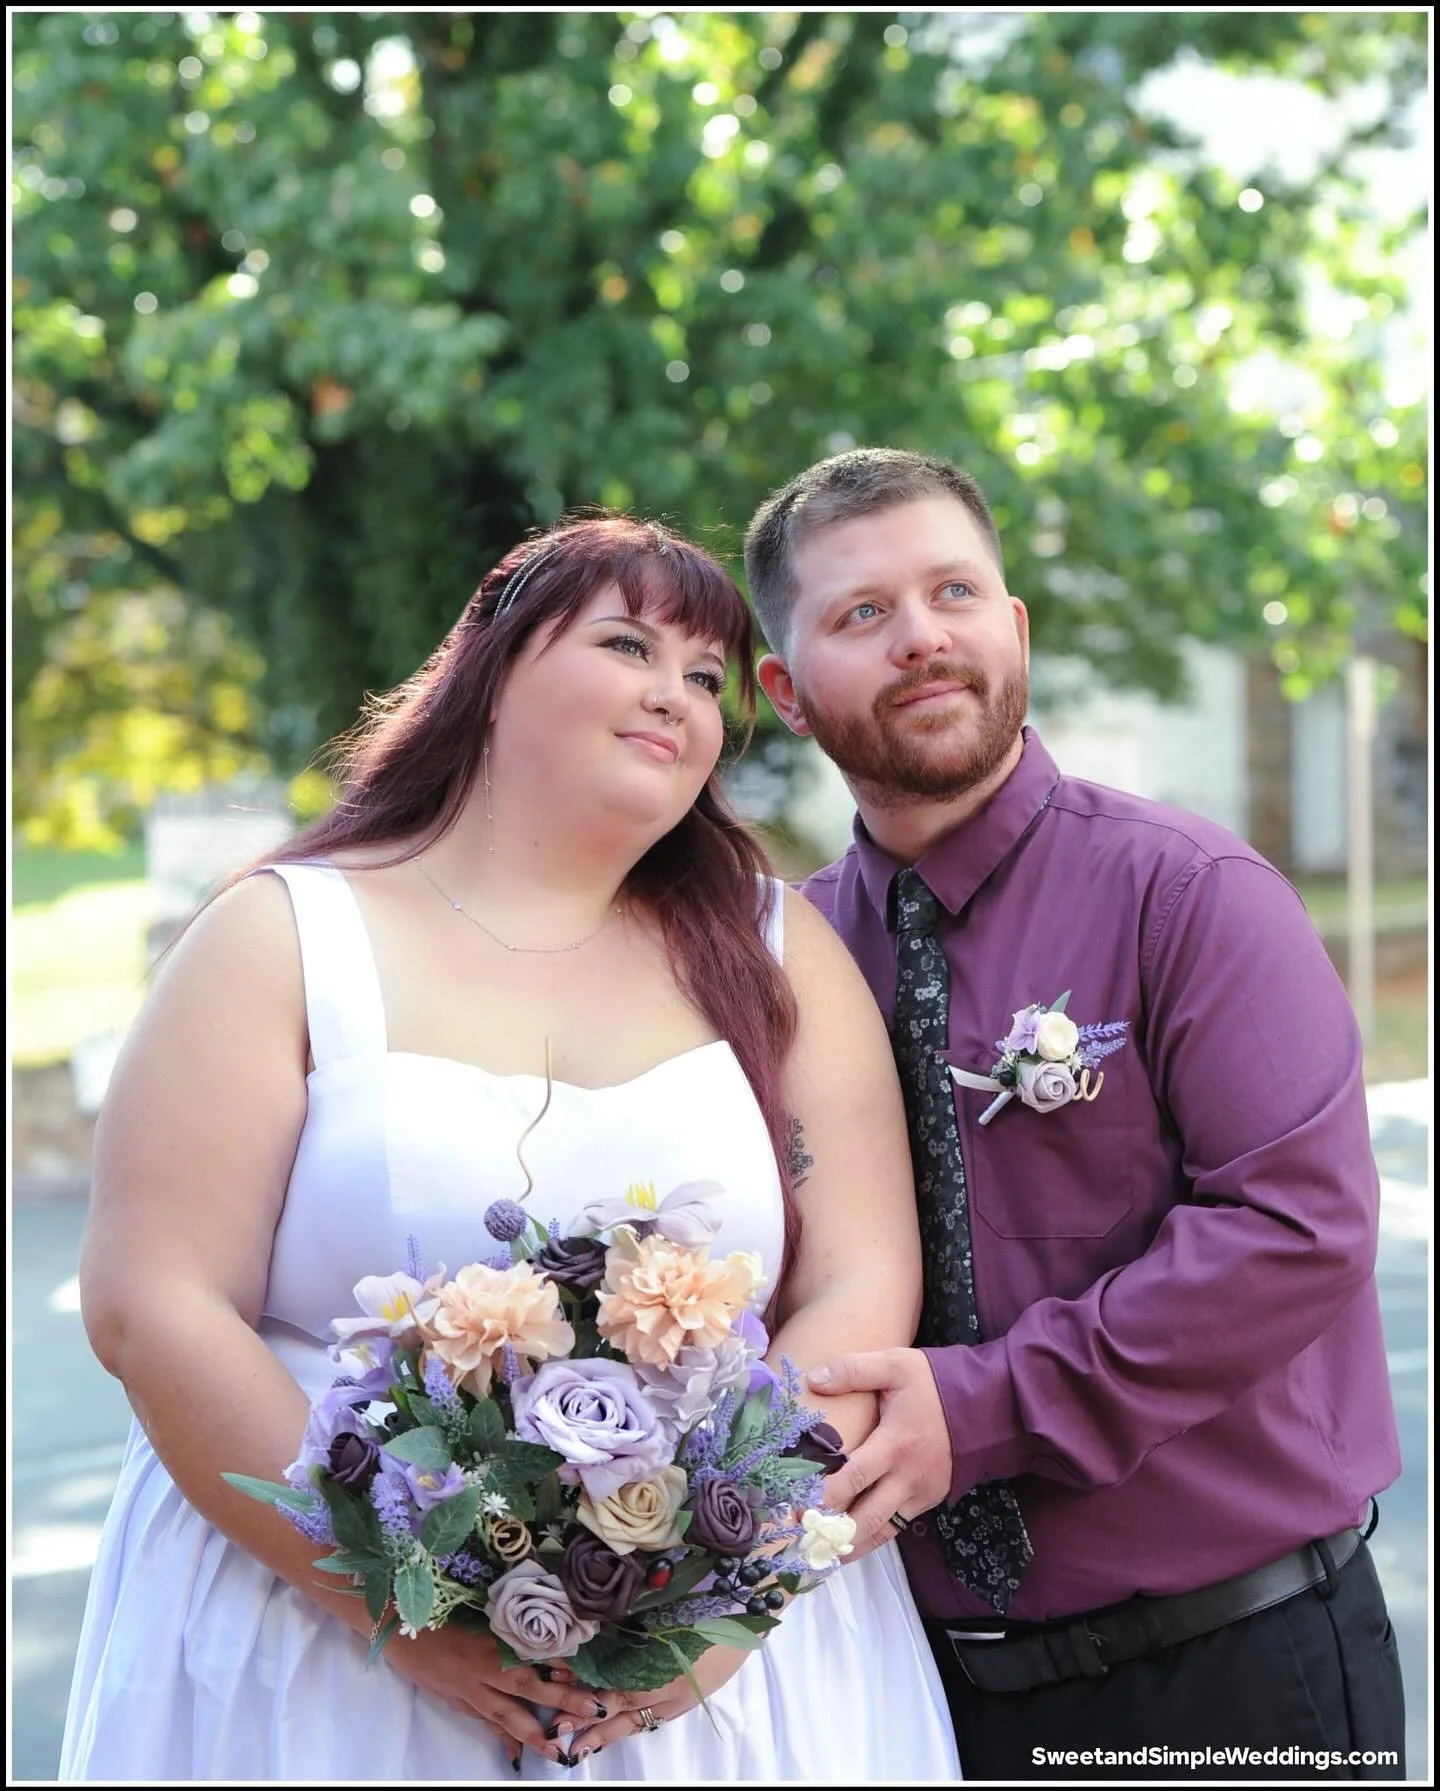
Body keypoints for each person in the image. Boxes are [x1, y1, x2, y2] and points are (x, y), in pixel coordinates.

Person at [60, 516, 961, 1782]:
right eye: (628, 644)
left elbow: (861, 1284)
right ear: (486, 678)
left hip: (722, 1670)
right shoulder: (282, 939)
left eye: (706, 677)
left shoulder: (780, 952)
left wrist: (717, 1600)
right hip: (320, 1657)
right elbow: (153, 1304)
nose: (676, 693)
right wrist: (394, 1600)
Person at [745, 448, 1406, 1781]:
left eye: (955, 591)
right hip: (918, 1697)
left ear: (1013, 626)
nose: (924, 635)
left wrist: (978, 1407)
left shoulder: (1191, 892)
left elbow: (1297, 1226)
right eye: (862, 613)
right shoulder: (778, 963)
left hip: (1234, 1667)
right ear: (787, 692)